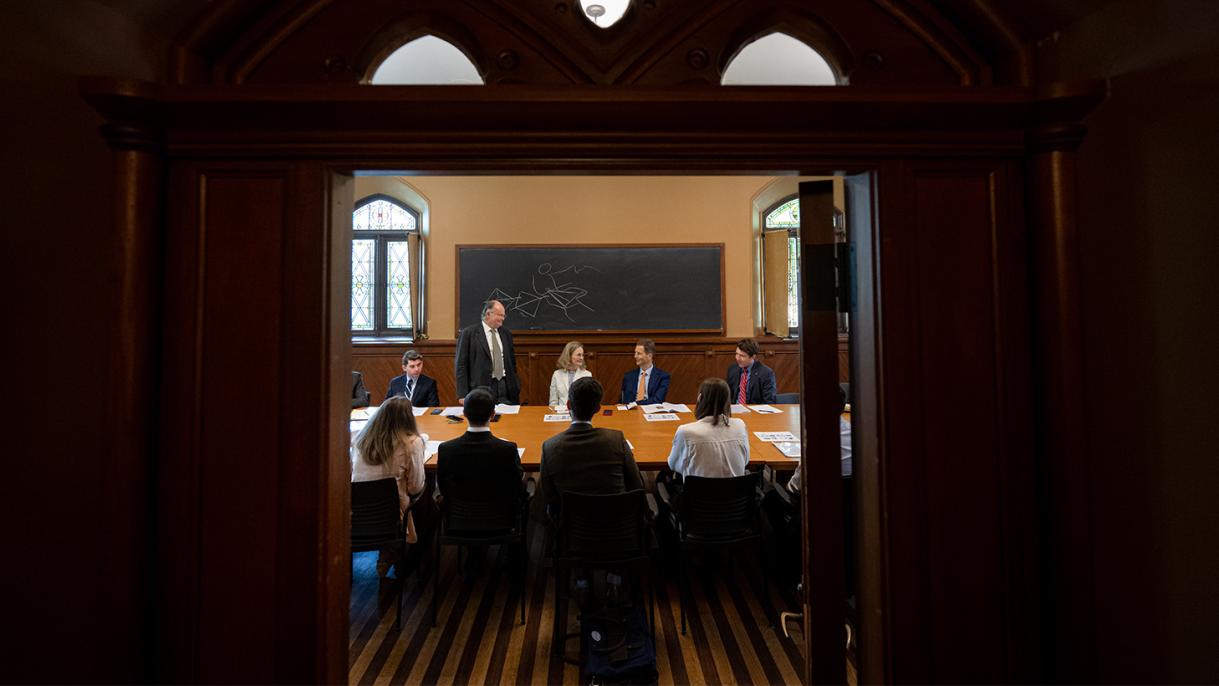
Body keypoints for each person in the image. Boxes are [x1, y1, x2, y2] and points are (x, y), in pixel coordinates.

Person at [350, 396, 429, 576]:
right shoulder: (411, 443)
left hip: (357, 516)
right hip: (394, 515)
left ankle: (387, 553)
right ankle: (412, 562)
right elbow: (415, 487)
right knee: (428, 504)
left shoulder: (358, 440)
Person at [540, 377, 643, 512]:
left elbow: (548, 496)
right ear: (598, 408)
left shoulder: (550, 447)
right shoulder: (616, 440)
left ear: (568, 405)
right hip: (618, 524)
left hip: (572, 527)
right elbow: (636, 485)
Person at [666, 378, 750, 479]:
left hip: (697, 493)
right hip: (737, 493)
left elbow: (673, 465)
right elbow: (745, 461)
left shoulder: (685, 432)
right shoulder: (740, 426)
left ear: (699, 398)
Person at [787, 385, 852, 491]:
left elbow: (796, 486)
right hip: (850, 501)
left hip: (817, 502)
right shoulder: (855, 434)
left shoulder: (815, 439)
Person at [455, 299, 520, 405]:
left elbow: (512, 362)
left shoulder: (506, 333)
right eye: (500, 315)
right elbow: (461, 365)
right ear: (488, 314)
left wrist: (516, 384)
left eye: (504, 316)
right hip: (480, 387)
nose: (503, 319)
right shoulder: (469, 334)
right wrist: (462, 394)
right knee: (483, 418)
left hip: (505, 385)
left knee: (509, 419)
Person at [725, 337, 778, 405]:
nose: (737, 358)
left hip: (754, 412)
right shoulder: (733, 369)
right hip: (734, 410)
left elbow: (769, 401)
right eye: (736, 354)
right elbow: (728, 395)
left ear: (753, 356)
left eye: (742, 356)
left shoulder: (766, 373)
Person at [620, 338, 670, 405]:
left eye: (639, 353)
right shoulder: (628, 376)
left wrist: (635, 404)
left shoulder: (663, 377)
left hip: (651, 412)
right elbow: (623, 400)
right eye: (635, 353)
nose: (635, 356)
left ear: (649, 356)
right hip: (631, 412)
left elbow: (657, 399)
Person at [549, 340, 592, 407]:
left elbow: (589, 401)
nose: (582, 358)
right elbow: (553, 402)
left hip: (580, 414)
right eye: (578, 355)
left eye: (582, 355)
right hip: (561, 414)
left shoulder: (587, 375)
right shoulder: (557, 374)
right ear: (569, 356)